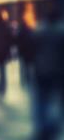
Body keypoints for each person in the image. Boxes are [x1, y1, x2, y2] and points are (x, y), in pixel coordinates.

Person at [31, 8, 64, 140]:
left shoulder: (39, 31)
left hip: (41, 70)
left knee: (41, 99)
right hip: (58, 71)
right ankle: (54, 123)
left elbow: (31, 49)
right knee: (57, 99)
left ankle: (41, 125)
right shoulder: (61, 32)